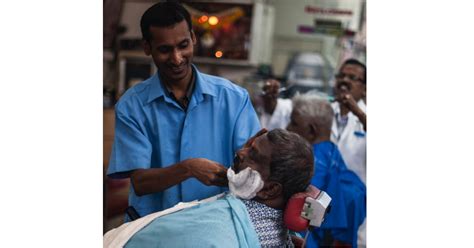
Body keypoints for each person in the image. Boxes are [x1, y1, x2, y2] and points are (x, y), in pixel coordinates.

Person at [107, 1, 261, 220]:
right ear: (147, 47)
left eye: (183, 45)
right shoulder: (132, 106)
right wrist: (188, 169)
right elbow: (140, 182)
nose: (177, 58)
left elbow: (253, 166)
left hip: (216, 225)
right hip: (153, 228)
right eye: (164, 50)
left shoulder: (234, 99)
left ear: (194, 38)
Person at [104, 129, 315, 248]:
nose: (241, 152)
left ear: (269, 190)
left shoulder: (217, 233)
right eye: (249, 145)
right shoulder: (281, 236)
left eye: (253, 155)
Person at [287, 94, 366, 248]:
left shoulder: (306, 169)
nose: (287, 128)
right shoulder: (334, 157)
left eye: (293, 123)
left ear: (311, 130)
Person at [331, 59, 366, 184]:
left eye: (352, 77)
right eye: (341, 76)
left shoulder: (365, 116)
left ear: (365, 89)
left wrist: (357, 111)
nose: (344, 80)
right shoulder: (324, 112)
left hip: (357, 198)